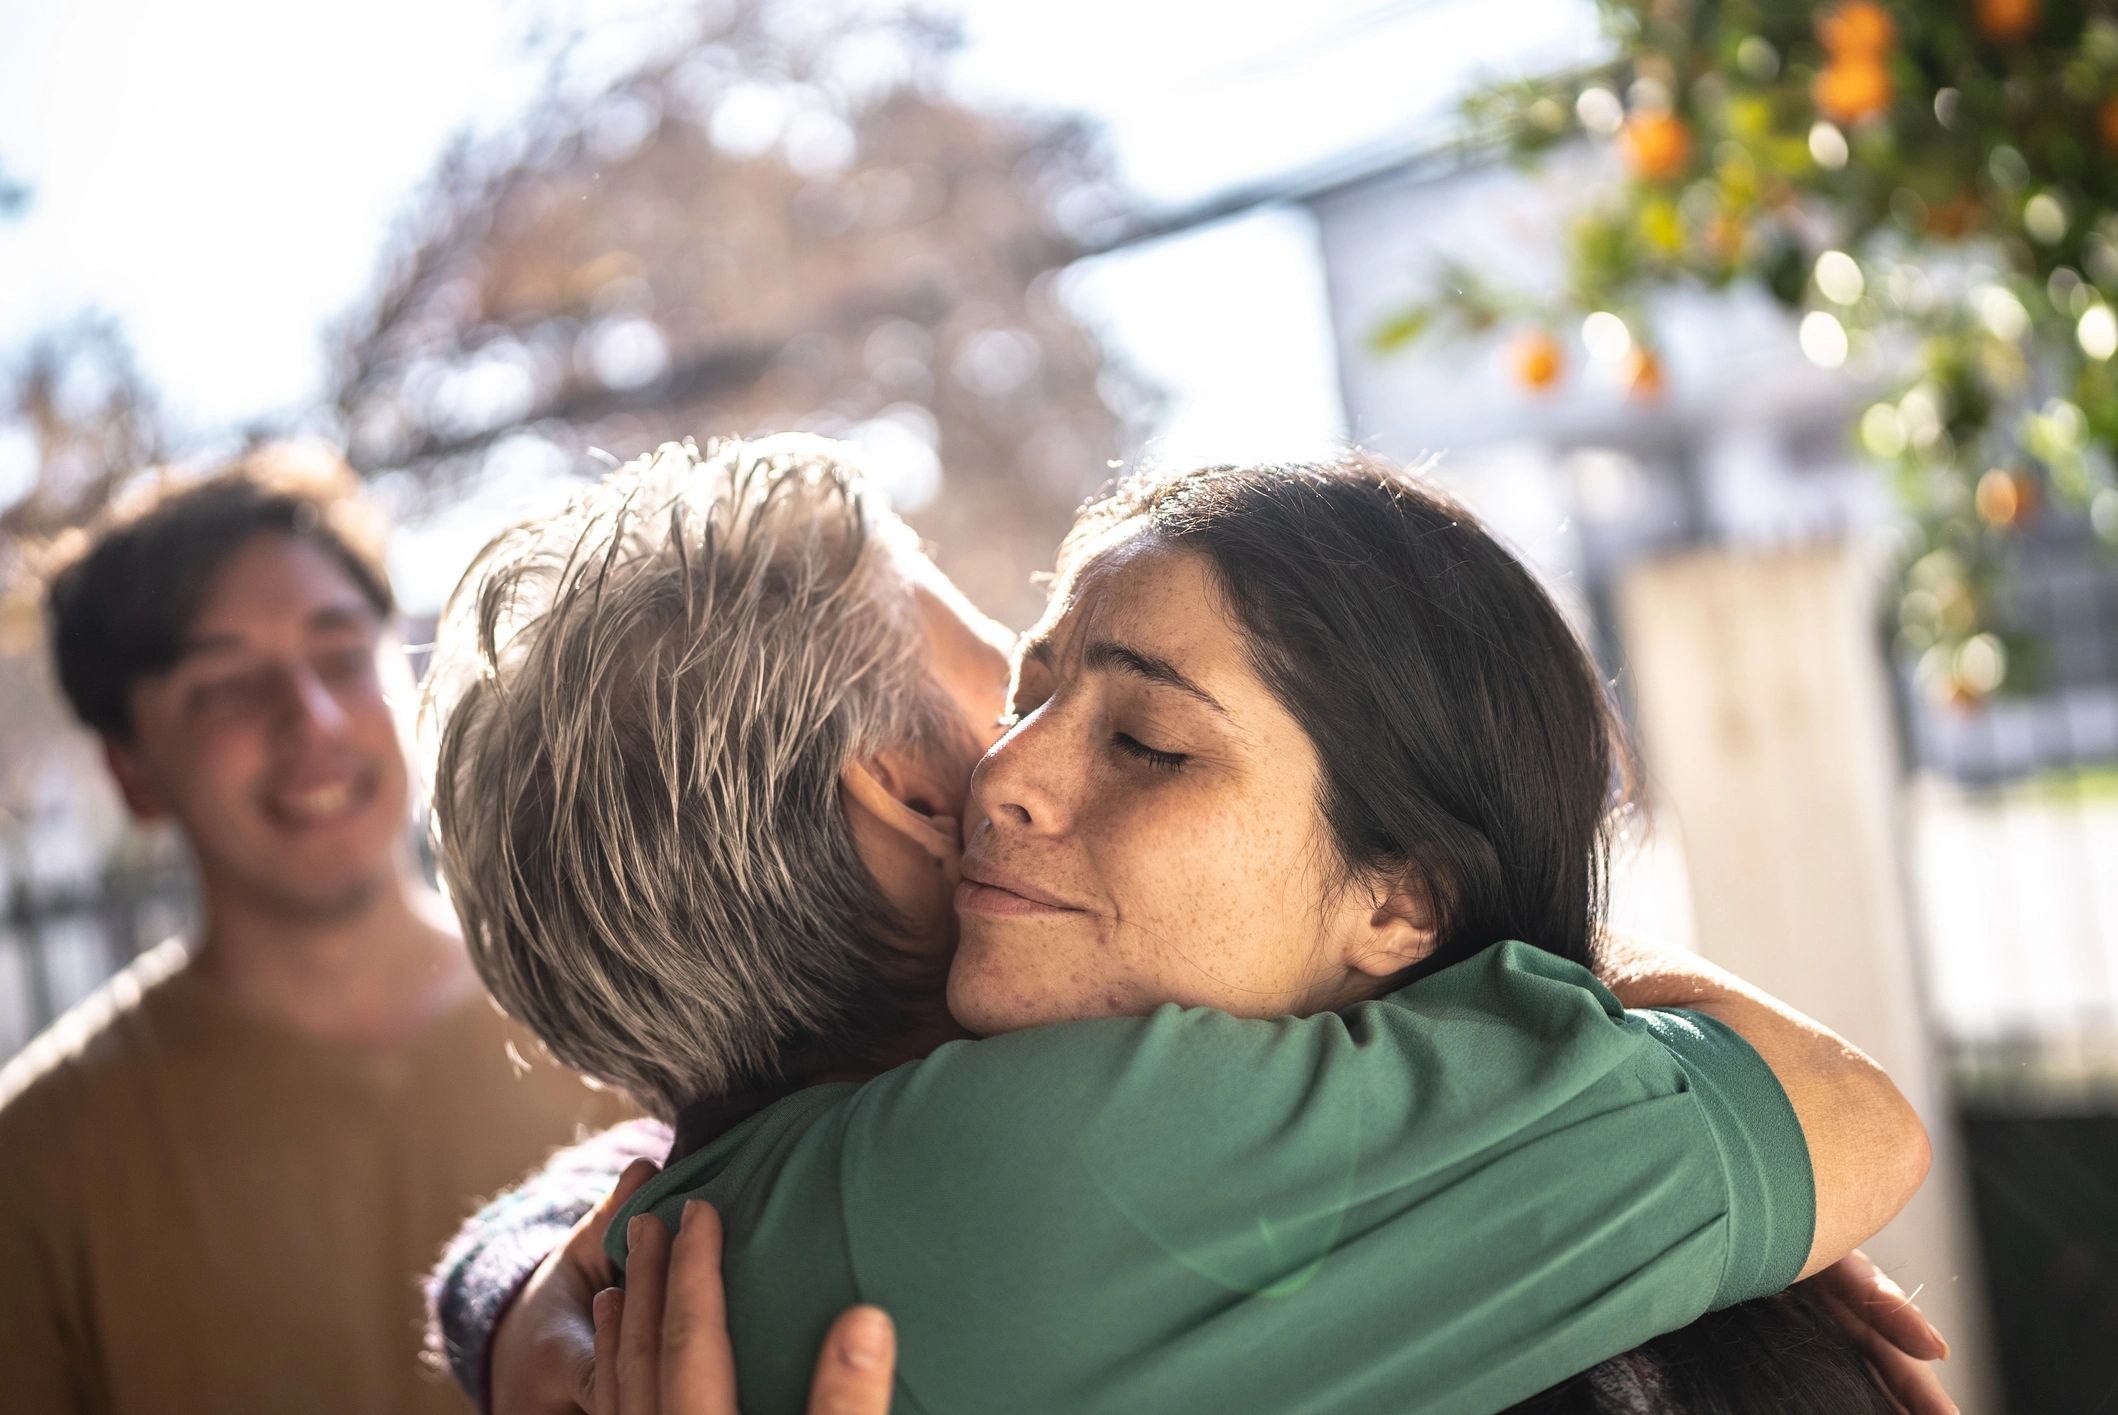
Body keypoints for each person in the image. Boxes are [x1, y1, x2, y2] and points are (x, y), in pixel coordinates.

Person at [421, 438, 1945, 1412]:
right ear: (900, 796)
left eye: (1128, 732)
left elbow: (574, 1187)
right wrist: (1583, 1010)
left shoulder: (678, 1229)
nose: (1011, 771)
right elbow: (1841, 1115)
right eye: (1005, 691)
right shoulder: (1055, 1158)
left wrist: (506, 1298)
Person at [0, 446, 633, 1415]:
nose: (314, 719)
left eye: (343, 657)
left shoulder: (635, 1027)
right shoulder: (36, 1159)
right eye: (225, 687)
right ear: (132, 770)